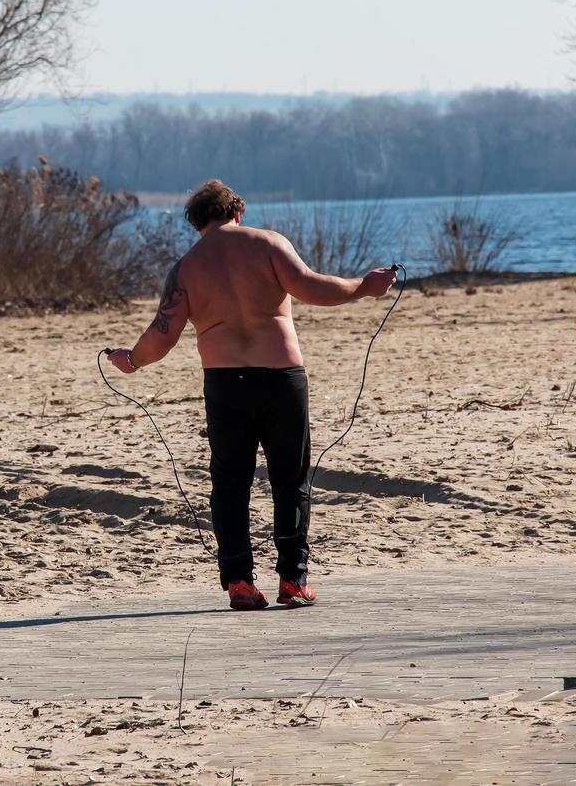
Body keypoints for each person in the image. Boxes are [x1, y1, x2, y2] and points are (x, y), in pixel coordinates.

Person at [106, 180, 397, 611]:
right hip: (280, 378)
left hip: (224, 383)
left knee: (229, 484)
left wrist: (130, 360)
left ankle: (239, 582)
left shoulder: (186, 268)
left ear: (197, 223)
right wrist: (365, 286)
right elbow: (314, 288)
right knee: (290, 481)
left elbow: (161, 336)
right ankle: (292, 582)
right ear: (236, 212)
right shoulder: (268, 243)